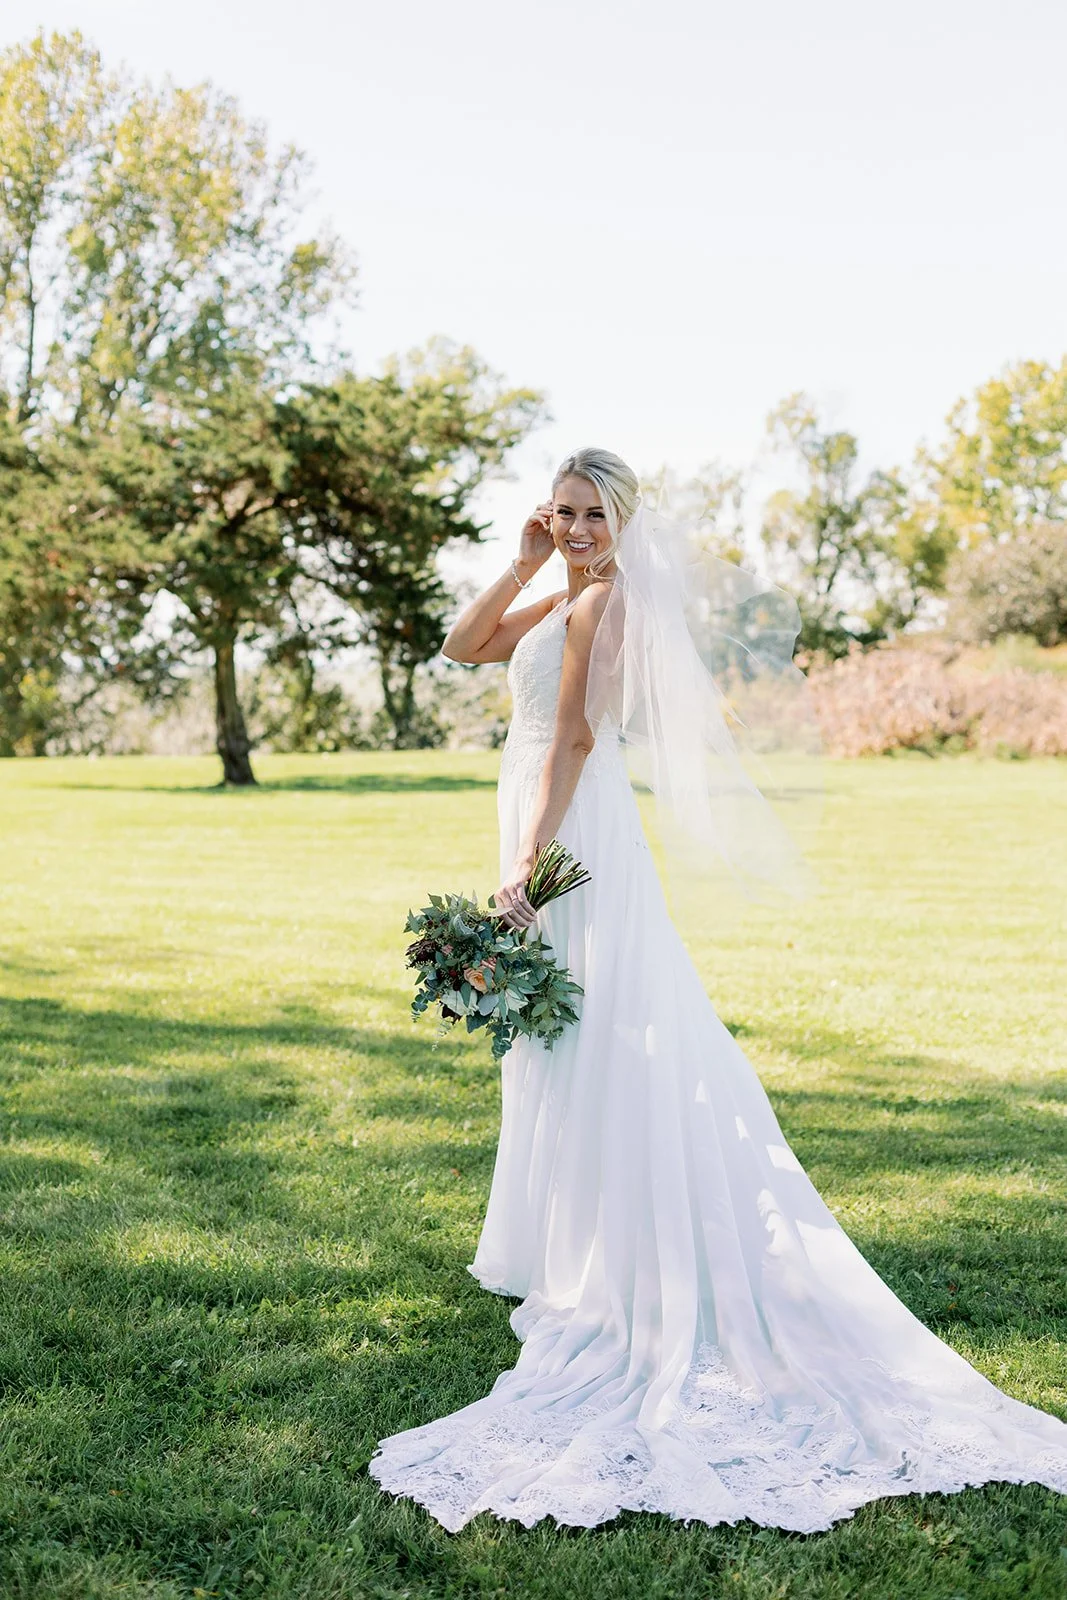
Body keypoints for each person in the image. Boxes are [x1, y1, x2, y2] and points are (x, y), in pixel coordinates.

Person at [369, 447, 1067, 1533]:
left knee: (595, 1028)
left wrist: (526, 864)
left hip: (566, 824)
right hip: (536, 810)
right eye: (560, 510)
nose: (574, 526)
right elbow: (463, 648)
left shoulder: (608, 607)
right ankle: (568, 1246)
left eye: (590, 512)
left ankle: (610, 1256)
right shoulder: (562, 589)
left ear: (622, 518)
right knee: (560, 1036)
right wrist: (517, 566)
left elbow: (577, 737)